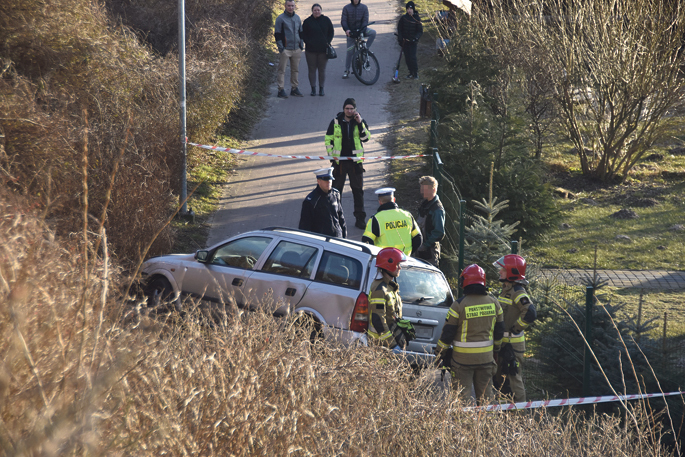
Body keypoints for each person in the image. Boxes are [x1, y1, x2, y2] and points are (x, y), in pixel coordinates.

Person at [434, 264, 504, 405]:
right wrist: (495, 351)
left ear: (464, 282)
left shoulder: (459, 305)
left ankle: (464, 426)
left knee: (462, 400)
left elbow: (447, 334)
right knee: (486, 399)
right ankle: (485, 425)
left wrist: (439, 353)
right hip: (486, 360)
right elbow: (499, 332)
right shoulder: (494, 303)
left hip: (462, 362)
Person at [492, 254, 537, 402]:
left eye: (503, 270)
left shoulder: (518, 292)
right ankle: (505, 413)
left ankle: (521, 414)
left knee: (513, 377)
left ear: (511, 272)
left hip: (512, 344)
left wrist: (516, 329)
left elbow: (530, 313)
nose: (500, 272)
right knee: (500, 379)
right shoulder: (506, 289)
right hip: (503, 342)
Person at [325, 98, 371, 229]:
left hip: (356, 163)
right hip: (339, 163)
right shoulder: (335, 122)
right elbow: (328, 140)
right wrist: (332, 158)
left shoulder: (360, 122)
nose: (349, 111)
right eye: (347, 109)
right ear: (343, 109)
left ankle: (360, 219)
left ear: (355, 110)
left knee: (358, 191)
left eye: (352, 109)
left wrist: (360, 123)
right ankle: (335, 218)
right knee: (335, 191)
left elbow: (366, 138)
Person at [362, 188, 422, 256]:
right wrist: (408, 254)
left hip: (385, 261)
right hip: (405, 260)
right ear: (394, 199)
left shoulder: (376, 219)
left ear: (380, 202)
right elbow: (418, 238)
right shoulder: (407, 215)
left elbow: (366, 241)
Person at [367, 247, 407, 348]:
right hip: (379, 346)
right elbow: (378, 320)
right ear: (389, 265)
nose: (400, 268)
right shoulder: (380, 289)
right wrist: (392, 345)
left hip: (386, 343)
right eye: (398, 264)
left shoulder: (389, 287)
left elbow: (391, 316)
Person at [299, 167, 347, 238]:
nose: (329, 182)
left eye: (330, 179)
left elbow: (341, 217)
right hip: (322, 242)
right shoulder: (311, 201)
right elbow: (305, 226)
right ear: (318, 181)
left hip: (338, 238)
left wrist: (344, 236)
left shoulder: (335, 194)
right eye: (325, 180)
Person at [302, 3, 334, 96]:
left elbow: (331, 32)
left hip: (323, 50)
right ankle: (313, 88)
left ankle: (321, 88)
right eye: (315, 10)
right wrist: (308, 42)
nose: (317, 12)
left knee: (322, 69)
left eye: (318, 10)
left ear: (321, 10)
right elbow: (303, 34)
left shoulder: (326, 20)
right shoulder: (307, 21)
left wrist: (328, 42)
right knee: (311, 69)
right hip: (310, 50)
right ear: (312, 11)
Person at [274, 0, 304, 98]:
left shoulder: (297, 18)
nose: (291, 7)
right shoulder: (280, 19)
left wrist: (301, 45)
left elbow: (301, 32)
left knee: (295, 70)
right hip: (285, 49)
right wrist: (281, 48)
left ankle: (294, 88)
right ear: (285, 6)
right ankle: (281, 89)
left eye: (292, 6)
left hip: (296, 49)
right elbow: (277, 34)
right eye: (289, 6)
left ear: (295, 6)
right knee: (282, 70)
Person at [340, 0, 376, 79]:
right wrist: (347, 30)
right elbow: (343, 21)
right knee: (350, 52)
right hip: (351, 32)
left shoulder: (364, 7)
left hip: (362, 30)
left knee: (373, 33)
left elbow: (365, 20)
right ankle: (347, 70)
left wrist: (362, 30)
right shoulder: (346, 8)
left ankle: (366, 48)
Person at [416, 176, 445, 267]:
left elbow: (439, 232)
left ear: (434, 189)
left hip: (430, 252)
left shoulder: (437, 210)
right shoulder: (425, 205)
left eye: (425, 189)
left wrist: (425, 245)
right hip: (420, 249)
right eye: (421, 189)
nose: (422, 192)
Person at [397, 1, 423, 79]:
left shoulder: (417, 19)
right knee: (407, 58)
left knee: (412, 57)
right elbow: (400, 29)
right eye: (408, 9)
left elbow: (420, 31)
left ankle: (415, 73)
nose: (409, 10)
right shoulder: (404, 18)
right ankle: (410, 72)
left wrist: (415, 38)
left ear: (413, 9)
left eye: (411, 9)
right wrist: (400, 39)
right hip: (405, 42)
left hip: (413, 42)